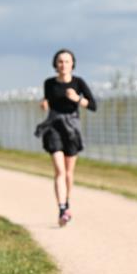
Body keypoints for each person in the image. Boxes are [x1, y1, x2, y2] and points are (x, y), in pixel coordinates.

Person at [34, 49, 97, 226]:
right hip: (54, 126)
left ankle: (66, 202)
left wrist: (77, 98)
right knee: (59, 171)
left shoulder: (79, 83)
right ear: (55, 64)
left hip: (71, 128)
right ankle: (62, 208)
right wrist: (44, 103)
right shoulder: (49, 83)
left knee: (69, 173)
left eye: (67, 61)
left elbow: (92, 105)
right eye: (60, 61)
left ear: (72, 64)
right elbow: (47, 99)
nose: (63, 65)